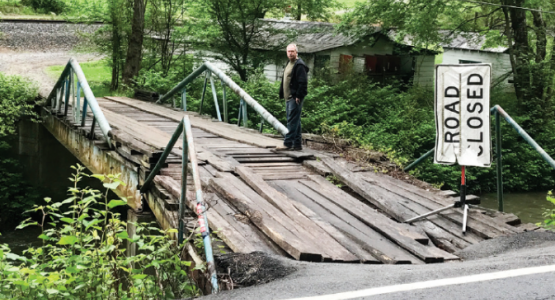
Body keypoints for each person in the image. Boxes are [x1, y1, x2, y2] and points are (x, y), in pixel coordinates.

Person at [279, 43, 309, 151]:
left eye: (292, 51)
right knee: (296, 121)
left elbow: (303, 82)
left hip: (294, 97)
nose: (290, 53)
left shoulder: (299, 65)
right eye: (288, 51)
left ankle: (287, 143)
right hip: (288, 97)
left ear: (296, 52)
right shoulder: (289, 63)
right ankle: (297, 144)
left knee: (291, 121)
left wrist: (299, 96)